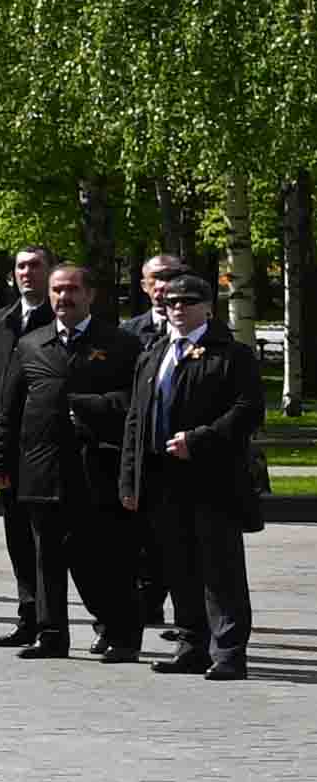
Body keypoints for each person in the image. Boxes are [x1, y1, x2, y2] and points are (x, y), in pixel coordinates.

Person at [126, 251, 268, 679]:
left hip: (213, 480)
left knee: (219, 570)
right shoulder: (155, 353)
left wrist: (199, 440)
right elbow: (136, 418)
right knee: (179, 567)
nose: (178, 308)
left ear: (208, 307)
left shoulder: (231, 355)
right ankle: (192, 646)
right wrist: (130, 479)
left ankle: (229, 652)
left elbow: (247, 410)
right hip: (162, 479)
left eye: (188, 301)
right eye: (171, 302)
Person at [40, 258, 151, 659]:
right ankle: (63, 631)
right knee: (62, 555)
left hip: (102, 464)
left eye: (72, 290)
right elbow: (9, 404)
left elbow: (136, 401)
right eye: (57, 290)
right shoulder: (34, 343)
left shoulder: (120, 343)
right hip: (49, 466)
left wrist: (84, 406)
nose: (63, 297)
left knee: (109, 557)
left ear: (90, 295)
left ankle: (123, 634)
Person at [0, 246, 67, 650]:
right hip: (7, 451)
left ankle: (68, 623)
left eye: (35, 266)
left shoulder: (60, 321)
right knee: (19, 540)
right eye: (20, 266)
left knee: (55, 543)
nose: (26, 273)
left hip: (48, 451)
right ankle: (29, 617)